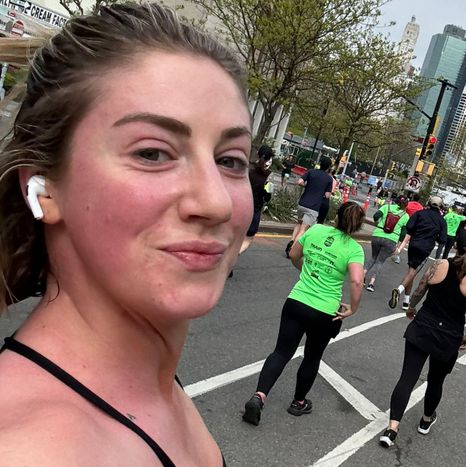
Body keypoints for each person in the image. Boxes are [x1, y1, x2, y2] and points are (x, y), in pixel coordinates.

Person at [0, 4, 249, 465]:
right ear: (44, 188)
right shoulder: (35, 451)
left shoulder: (152, 390)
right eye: (153, 153)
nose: (217, 202)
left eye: (231, 160)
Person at [242, 202, 365, 426]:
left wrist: (307, 271)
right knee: (312, 356)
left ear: (336, 217)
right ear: (357, 226)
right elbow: (357, 281)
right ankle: (298, 402)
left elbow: (294, 254)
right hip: (325, 311)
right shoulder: (354, 249)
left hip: (297, 300)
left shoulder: (316, 230)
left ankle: (259, 396)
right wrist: (353, 308)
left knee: (281, 352)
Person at [379, 230, 466, 448]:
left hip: (423, 326)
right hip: (449, 336)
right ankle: (426, 420)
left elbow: (420, 289)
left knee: (407, 377)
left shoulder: (438, 265)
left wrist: (412, 307)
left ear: (455, 245)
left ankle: (391, 429)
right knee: (436, 381)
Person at [389, 196, 447, 311]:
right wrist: (433, 235)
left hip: (413, 244)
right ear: (440, 206)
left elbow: (409, 227)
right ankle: (399, 290)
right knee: (413, 271)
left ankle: (406, 301)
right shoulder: (441, 221)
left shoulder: (420, 213)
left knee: (411, 271)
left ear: (429, 203)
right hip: (425, 248)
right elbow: (443, 239)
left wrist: (418, 231)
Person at [286, 156, 333, 257]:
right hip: (313, 207)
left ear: (319, 163)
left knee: (298, 223)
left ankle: (292, 240)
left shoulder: (311, 172)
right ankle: (292, 250)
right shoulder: (329, 179)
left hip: (302, 203)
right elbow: (327, 195)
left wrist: (307, 186)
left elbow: (300, 182)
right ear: (329, 167)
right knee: (303, 230)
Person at [365, 196, 410, 292]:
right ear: (406, 205)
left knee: (373, 257)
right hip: (391, 240)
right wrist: (398, 245)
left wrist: (378, 224)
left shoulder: (386, 207)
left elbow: (376, 216)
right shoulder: (406, 216)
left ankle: (363, 275)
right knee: (380, 261)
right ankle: (371, 283)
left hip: (377, 235)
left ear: (395, 201)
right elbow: (403, 234)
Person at [240, 145, 274, 254]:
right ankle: (236, 253)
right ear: (269, 160)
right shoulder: (268, 176)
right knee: (249, 237)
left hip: (241, 205)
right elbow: (267, 197)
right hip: (255, 208)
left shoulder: (248, 169)